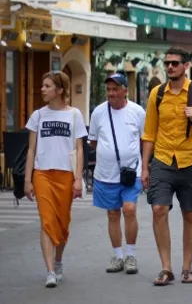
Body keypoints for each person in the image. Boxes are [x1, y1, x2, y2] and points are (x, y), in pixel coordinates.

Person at [142, 47, 192, 286]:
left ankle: (187, 268)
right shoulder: (157, 94)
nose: (170, 67)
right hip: (163, 159)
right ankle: (166, 268)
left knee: (190, 213)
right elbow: (149, 133)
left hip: (191, 160)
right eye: (167, 63)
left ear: (185, 66)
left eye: (175, 63)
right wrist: (145, 167)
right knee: (158, 209)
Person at [24, 71, 87, 287]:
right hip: (42, 173)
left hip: (65, 175)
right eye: (43, 85)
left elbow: (79, 149)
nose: (42, 89)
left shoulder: (75, 115)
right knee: (47, 221)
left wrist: (78, 179)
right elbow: (31, 150)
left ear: (60, 90)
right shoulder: (38, 116)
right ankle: (50, 271)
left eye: (47, 86)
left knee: (62, 225)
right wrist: (28, 179)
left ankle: (58, 261)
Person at [87, 73, 146, 275]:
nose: (111, 93)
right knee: (112, 213)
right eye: (109, 90)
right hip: (105, 173)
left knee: (129, 209)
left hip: (131, 171)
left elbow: (144, 141)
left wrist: (144, 166)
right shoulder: (98, 113)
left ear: (124, 90)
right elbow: (93, 141)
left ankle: (131, 255)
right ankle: (118, 256)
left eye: (115, 89)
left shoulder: (137, 112)